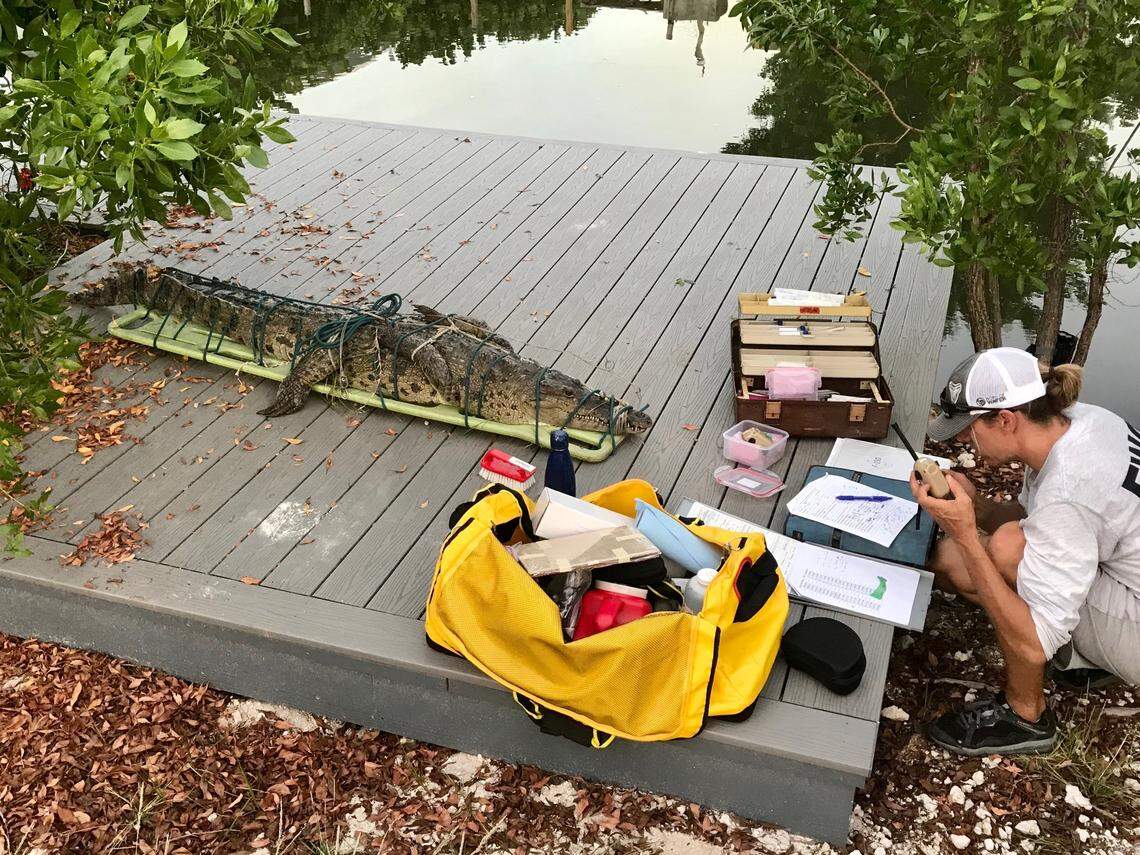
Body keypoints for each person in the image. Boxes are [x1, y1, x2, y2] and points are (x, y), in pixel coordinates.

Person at [912, 347, 1140, 756]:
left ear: (1005, 420)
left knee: (1000, 550)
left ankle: (1026, 715)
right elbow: (1038, 518)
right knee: (953, 562)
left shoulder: (1069, 491)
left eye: (968, 428)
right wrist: (977, 507)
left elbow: (1036, 642)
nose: (963, 440)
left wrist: (966, 532)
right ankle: (1087, 659)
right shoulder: (1082, 422)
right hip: (1124, 578)